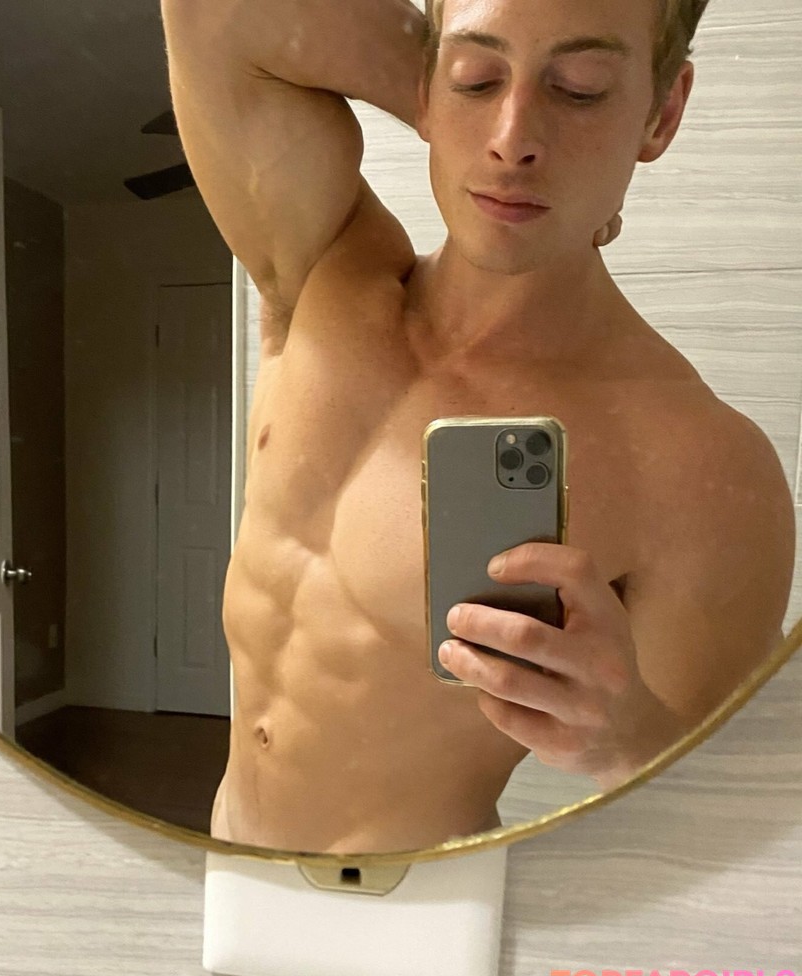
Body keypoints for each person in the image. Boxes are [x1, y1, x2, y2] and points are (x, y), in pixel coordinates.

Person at [160, 0, 795, 854]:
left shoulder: (697, 463)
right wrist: (437, 92)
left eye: (580, 88)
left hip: (419, 907)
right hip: (224, 861)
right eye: (477, 77)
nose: (511, 139)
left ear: (662, 112)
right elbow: (211, 14)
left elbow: (732, 846)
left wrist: (628, 741)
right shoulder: (324, 271)